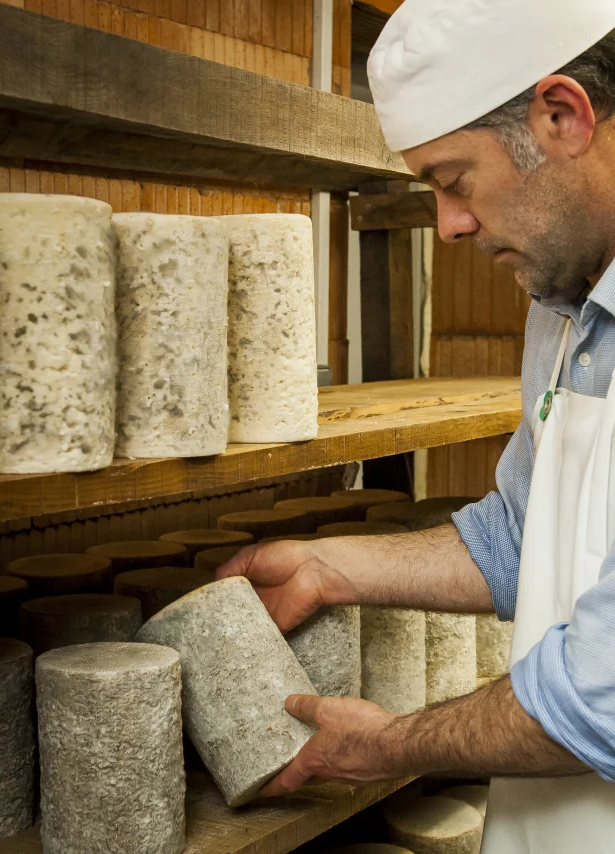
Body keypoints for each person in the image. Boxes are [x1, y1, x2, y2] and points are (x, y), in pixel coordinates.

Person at [218, 0, 615, 850]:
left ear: (562, 117)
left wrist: (387, 746)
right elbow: (524, 533)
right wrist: (333, 567)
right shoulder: (561, 292)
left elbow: (602, 696)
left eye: (453, 181)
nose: (449, 225)